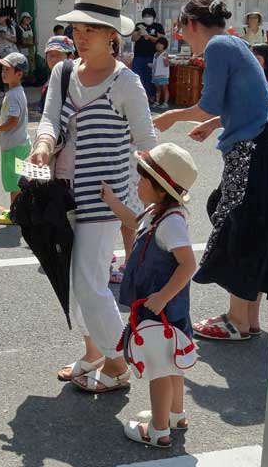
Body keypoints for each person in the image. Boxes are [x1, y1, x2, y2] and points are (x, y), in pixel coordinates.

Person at [30, 0, 155, 392]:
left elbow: (147, 145)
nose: (81, 37)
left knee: (90, 284)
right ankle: (94, 352)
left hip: (105, 198)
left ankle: (117, 365)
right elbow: (49, 119)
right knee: (74, 280)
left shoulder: (127, 83)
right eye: (77, 28)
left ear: (112, 36)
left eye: (92, 30)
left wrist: (142, 207)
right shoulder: (63, 72)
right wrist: (42, 145)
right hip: (62, 193)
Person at [154, 0, 268, 341]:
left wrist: (172, 116)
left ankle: (236, 320)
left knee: (236, 224)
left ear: (193, 24)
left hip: (252, 150)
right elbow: (249, 102)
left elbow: (207, 104)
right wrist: (216, 124)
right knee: (251, 225)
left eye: (183, 29)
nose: (184, 37)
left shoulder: (217, 47)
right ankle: (248, 317)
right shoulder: (235, 43)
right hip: (267, 148)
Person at [102, 143, 199, 449]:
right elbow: (132, 222)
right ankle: (175, 414)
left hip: (160, 310)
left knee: (159, 367)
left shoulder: (171, 223)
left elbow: (188, 264)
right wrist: (111, 201)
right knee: (173, 362)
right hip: (163, 311)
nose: (137, 182)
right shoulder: (157, 211)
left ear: (161, 189)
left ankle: (158, 430)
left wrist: (161, 296)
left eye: (143, 179)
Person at [0, 52, 30, 226]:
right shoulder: (15, 92)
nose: (3, 72)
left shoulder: (13, 95)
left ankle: (15, 214)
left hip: (13, 145)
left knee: (13, 183)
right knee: (17, 180)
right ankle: (18, 210)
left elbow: (12, 122)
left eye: (7, 69)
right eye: (2, 68)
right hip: (19, 143)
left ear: (19, 74)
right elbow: (9, 119)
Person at [131, 7, 165, 104]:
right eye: (145, 16)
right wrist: (139, 32)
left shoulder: (158, 26)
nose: (147, 18)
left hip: (153, 56)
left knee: (151, 78)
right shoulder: (139, 25)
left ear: (153, 17)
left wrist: (149, 36)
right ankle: (138, 97)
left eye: (149, 16)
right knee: (137, 77)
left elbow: (161, 40)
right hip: (139, 56)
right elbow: (133, 39)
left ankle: (151, 97)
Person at [39, 35, 75, 114]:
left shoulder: (76, 82)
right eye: (51, 55)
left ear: (71, 57)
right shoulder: (48, 84)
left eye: (58, 55)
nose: (53, 59)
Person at [0, 11, 17, 97]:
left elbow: (15, 40)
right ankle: (1, 89)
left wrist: (6, 37)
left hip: (9, 52)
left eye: (0, 17)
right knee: (0, 71)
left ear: (5, 17)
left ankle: (12, 87)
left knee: (10, 70)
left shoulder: (11, 28)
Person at [152, 37, 171, 110]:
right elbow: (155, 63)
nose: (158, 45)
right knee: (157, 89)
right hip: (155, 74)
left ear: (164, 45)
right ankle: (157, 102)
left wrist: (166, 60)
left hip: (163, 75)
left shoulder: (165, 54)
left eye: (161, 44)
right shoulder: (155, 54)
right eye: (157, 44)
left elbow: (166, 64)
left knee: (164, 88)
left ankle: (165, 103)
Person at [16, 12, 36, 80]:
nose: (27, 20)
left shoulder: (29, 27)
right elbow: (18, 40)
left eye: (28, 18)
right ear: (22, 19)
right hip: (22, 49)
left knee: (31, 64)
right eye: (26, 18)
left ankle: (30, 79)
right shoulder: (18, 28)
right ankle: (23, 79)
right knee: (23, 64)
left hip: (30, 49)